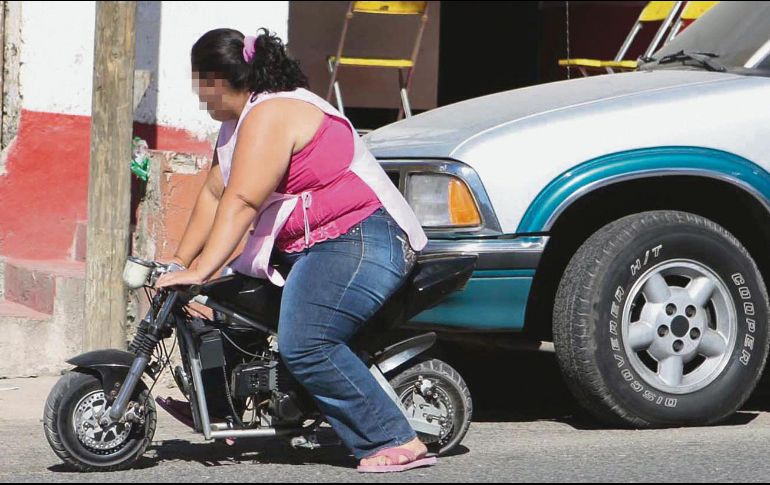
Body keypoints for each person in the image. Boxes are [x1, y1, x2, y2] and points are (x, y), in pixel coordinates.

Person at [155, 28, 435, 473]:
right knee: (223, 306)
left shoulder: (274, 113)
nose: (199, 98)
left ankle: (393, 438)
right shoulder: (236, 124)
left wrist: (203, 267)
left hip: (359, 238)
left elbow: (242, 200)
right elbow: (212, 193)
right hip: (307, 245)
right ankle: (223, 410)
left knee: (306, 342)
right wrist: (178, 264)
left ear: (224, 78)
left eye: (202, 85)